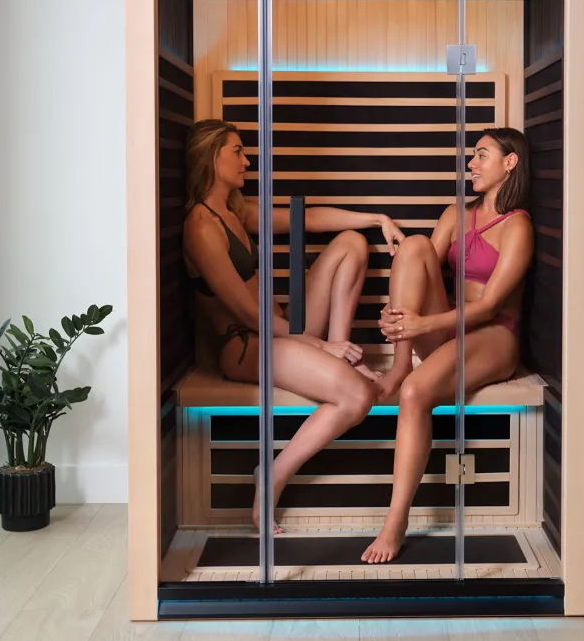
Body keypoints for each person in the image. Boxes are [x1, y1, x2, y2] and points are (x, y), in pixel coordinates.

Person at [182, 118, 405, 533]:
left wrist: (377, 218)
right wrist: (317, 348)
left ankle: (342, 350)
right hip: (247, 343)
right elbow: (248, 316)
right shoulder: (201, 226)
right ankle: (271, 475)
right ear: (212, 157)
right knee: (357, 396)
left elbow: (310, 218)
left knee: (352, 243)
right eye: (237, 151)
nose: (247, 161)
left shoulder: (235, 210)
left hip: (280, 327)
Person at [361, 127, 532, 564]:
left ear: (510, 163)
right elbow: (417, 269)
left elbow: (491, 304)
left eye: (481, 156)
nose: (471, 164)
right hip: (446, 324)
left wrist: (421, 322)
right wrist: (398, 317)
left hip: (494, 334)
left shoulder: (518, 227)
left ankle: (395, 520)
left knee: (417, 393)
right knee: (415, 245)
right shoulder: (456, 213)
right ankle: (400, 365)